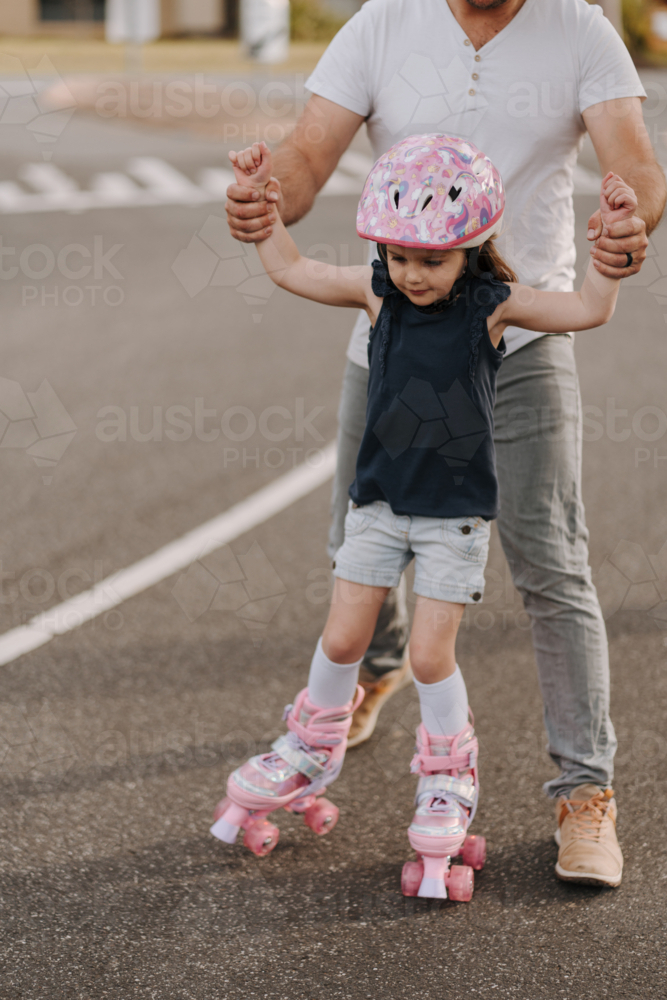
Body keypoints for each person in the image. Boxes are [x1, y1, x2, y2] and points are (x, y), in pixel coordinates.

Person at [225, 0, 666, 887]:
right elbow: (308, 155)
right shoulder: (382, 24)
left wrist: (626, 225)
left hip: (522, 335)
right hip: (388, 353)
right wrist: (263, 196)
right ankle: (372, 677)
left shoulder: (580, 30)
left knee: (550, 567)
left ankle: (584, 792)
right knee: (357, 545)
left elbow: (635, 171)